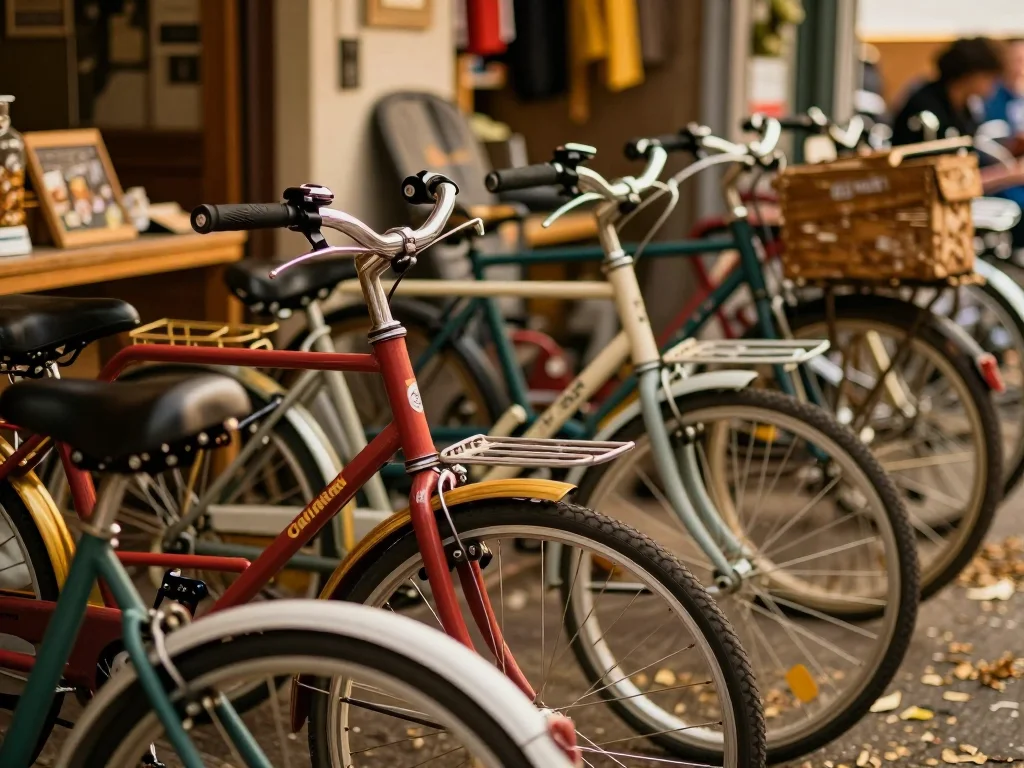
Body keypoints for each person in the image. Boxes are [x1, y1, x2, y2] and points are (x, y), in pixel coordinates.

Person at [891, 37, 1004, 145]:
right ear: (971, 75)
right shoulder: (924, 107)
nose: (993, 85)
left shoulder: (968, 108)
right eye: (990, 78)